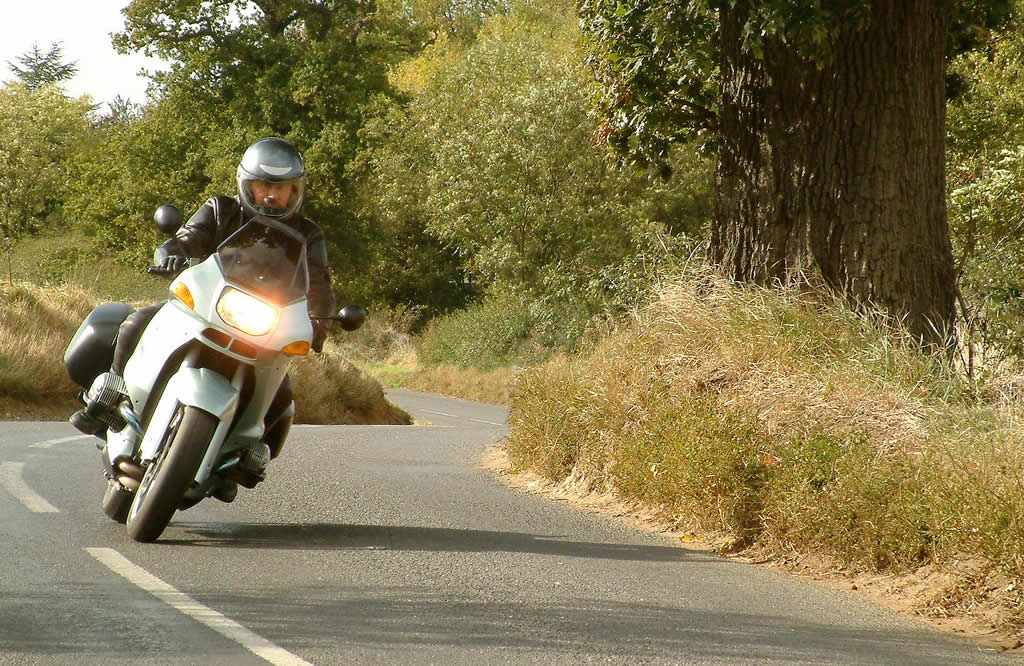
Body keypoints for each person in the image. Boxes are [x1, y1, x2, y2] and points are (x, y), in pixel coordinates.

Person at [70, 138, 337, 468]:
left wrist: (320, 321)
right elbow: (186, 238)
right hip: (206, 307)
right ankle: (109, 399)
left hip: (266, 326)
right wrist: (170, 255)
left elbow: (320, 284)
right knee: (135, 324)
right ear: (246, 185)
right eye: (263, 185)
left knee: (281, 397)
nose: (270, 194)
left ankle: (242, 459)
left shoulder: (308, 235)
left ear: (295, 192)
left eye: (280, 188)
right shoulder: (221, 209)